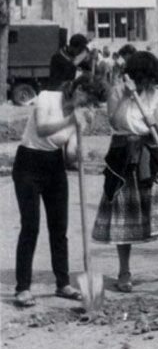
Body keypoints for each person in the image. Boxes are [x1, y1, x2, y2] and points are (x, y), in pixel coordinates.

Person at [12, 73, 108, 308]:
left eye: (91, 104)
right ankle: (22, 288)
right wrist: (71, 121)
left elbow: (70, 153)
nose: (87, 106)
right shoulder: (47, 98)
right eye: (87, 99)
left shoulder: (79, 117)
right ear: (78, 88)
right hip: (28, 163)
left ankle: (63, 283)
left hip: (54, 166)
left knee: (59, 227)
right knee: (30, 226)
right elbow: (43, 129)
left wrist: (80, 147)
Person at [91, 52, 158, 292]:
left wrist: (156, 123)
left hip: (150, 155)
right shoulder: (117, 91)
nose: (149, 84)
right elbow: (114, 122)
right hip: (122, 155)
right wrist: (127, 97)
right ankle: (124, 272)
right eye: (145, 80)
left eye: (152, 80)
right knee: (123, 215)